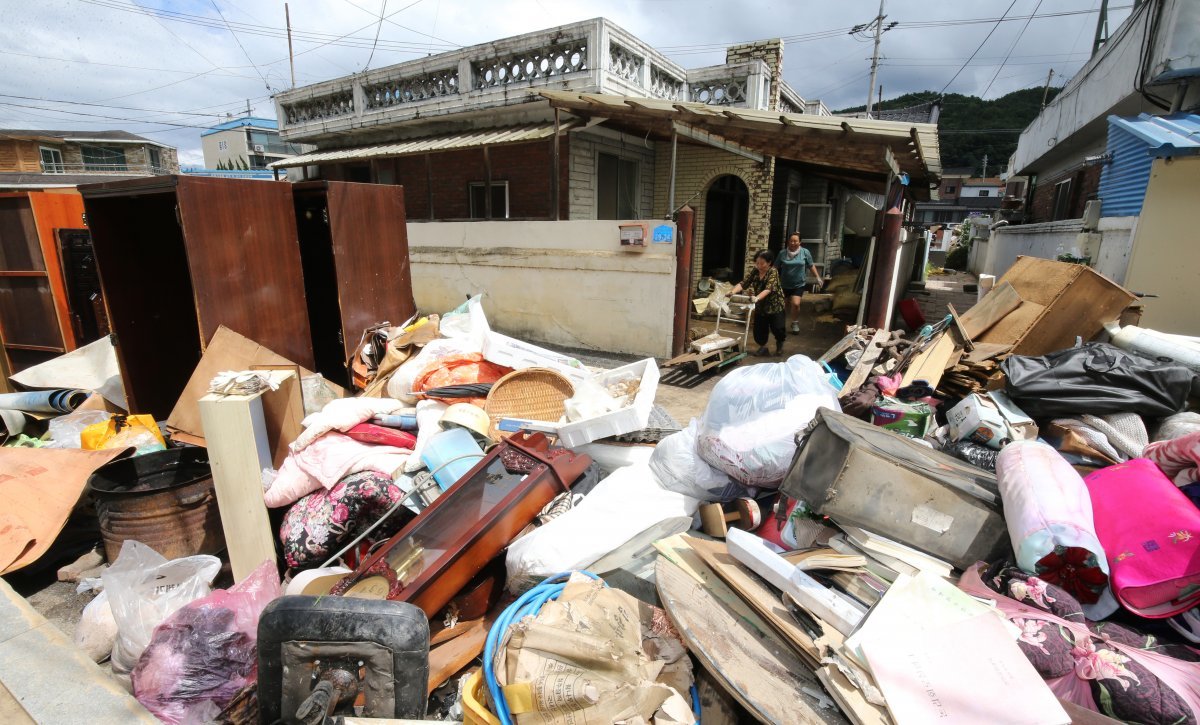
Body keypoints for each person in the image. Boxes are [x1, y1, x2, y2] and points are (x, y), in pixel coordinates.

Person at [730, 250, 787, 356]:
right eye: (757, 263)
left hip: (775, 305)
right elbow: (744, 283)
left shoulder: (773, 272)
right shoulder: (755, 271)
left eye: (762, 263)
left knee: (778, 328)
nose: (759, 266)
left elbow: (768, 288)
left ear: (769, 262)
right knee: (759, 330)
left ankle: (780, 344)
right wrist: (732, 292)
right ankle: (763, 347)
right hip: (761, 306)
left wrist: (757, 298)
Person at [775, 233, 823, 334]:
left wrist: (817, 277)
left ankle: (795, 323)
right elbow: (775, 267)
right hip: (784, 284)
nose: (793, 243)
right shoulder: (782, 253)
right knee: (782, 305)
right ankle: (780, 324)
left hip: (798, 284)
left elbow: (811, 265)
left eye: (795, 241)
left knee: (796, 304)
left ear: (800, 242)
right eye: (791, 241)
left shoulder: (805, 252)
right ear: (788, 241)